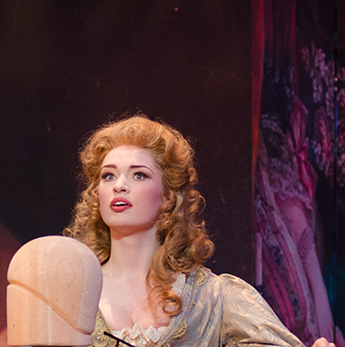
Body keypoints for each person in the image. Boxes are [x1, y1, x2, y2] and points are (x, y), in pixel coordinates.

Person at [63, 115, 334, 347]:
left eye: (139, 175)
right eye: (108, 175)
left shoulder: (212, 299)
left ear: (168, 197)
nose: (119, 185)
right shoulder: (69, 296)